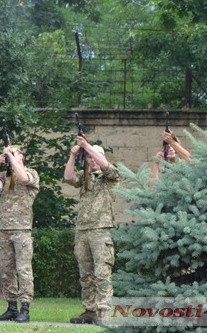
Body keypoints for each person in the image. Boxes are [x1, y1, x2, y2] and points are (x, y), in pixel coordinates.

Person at [63, 136, 120, 325]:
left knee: (102, 272)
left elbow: (106, 166)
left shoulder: (109, 176)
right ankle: (89, 310)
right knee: (85, 274)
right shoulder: (85, 176)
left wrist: (87, 146)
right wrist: (73, 155)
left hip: (100, 230)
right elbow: (68, 177)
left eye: (95, 157)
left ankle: (104, 311)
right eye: (89, 157)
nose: (92, 160)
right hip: (83, 230)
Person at [0, 144, 40, 323]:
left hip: (22, 229)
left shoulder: (31, 172)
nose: (9, 156)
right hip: (5, 230)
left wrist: (11, 156)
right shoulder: (5, 175)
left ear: (22, 156)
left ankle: (25, 307)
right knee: (6, 270)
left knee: (23, 270)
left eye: (14, 154)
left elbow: (24, 179)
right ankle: (11, 307)